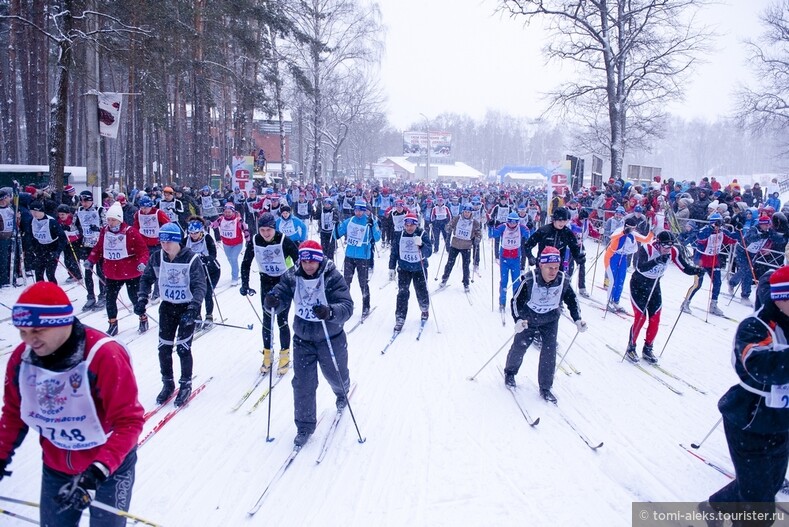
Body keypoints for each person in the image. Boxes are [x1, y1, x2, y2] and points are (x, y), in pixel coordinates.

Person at [0, 281, 144, 526]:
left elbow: (129, 421)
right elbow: (14, 414)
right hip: (56, 466)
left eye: (37, 330)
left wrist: (99, 469)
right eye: (23, 332)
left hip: (110, 467)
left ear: (61, 322)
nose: (29, 340)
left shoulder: (103, 355)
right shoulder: (21, 359)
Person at [701, 265, 789, 524]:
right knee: (759, 511)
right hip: (749, 421)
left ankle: (715, 506)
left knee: (768, 485)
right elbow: (760, 365)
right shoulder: (755, 325)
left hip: (780, 423)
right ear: (780, 297)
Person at [264, 240, 354, 447]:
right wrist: (273, 302)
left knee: (336, 374)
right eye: (304, 261)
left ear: (320, 259)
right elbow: (280, 295)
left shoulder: (332, 276)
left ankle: (342, 392)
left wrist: (330, 312)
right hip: (303, 338)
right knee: (303, 383)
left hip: (330, 337)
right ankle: (304, 426)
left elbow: (347, 306)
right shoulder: (292, 275)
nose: (308, 266)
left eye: (312, 261)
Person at [503, 246, 587, 403]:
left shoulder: (563, 280)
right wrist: (518, 320)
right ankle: (510, 372)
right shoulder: (530, 279)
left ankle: (546, 387)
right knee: (520, 346)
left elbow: (572, 300)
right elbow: (515, 301)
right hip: (529, 319)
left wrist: (577, 319)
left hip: (550, 320)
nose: (553, 271)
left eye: (556, 267)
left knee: (549, 351)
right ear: (541, 265)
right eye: (549, 267)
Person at [136, 222, 207, 407]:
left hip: (186, 308)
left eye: (169, 241)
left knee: (183, 348)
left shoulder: (191, 258)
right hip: (167, 307)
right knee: (164, 348)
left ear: (177, 241)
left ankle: (185, 384)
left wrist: (194, 308)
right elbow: (146, 278)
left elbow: (200, 285)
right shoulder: (157, 257)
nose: (165, 245)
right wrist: (142, 298)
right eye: (162, 241)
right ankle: (167, 383)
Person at [625, 231, 704, 363]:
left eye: (670, 246)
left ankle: (648, 348)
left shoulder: (672, 251)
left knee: (655, 318)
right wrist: (656, 260)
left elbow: (684, 267)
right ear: (658, 243)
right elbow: (640, 267)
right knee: (641, 318)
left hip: (654, 285)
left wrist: (696, 271)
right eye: (665, 246)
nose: (667, 249)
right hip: (639, 284)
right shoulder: (647, 248)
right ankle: (631, 347)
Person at [240, 212, 300, 375]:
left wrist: (297, 281)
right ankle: (267, 354)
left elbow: (298, 259)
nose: (266, 234)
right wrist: (245, 284)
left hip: (283, 282)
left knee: (282, 320)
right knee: (267, 320)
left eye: (269, 230)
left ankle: (285, 355)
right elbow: (246, 263)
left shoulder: (283, 240)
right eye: (263, 230)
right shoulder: (255, 241)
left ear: (275, 228)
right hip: (265, 281)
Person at [85, 203, 150, 336]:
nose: (110, 222)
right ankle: (112, 324)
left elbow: (143, 250)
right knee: (110, 299)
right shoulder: (104, 231)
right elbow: (98, 248)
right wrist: (91, 259)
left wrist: (142, 263)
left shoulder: (131, 231)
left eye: (113, 219)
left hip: (131, 271)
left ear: (120, 219)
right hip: (112, 273)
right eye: (108, 219)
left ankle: (143, 317)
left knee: (134, 298)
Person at [681, 212, 736, 317]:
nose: (719, 226)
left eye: (720, 223)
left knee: (717, 282)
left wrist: (738, 232)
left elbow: (731, 240)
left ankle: (713, 305)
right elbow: (701, 236)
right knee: (698, 284)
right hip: (701, 260)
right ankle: (686, 303)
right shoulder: (705, 230)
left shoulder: (722, 231)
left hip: (714, 260)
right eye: (717, 223)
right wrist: (711, 229)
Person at [335, 199, 381, 318]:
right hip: (350, 255)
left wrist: (372, 226)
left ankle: (366, 306)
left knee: (363, 283)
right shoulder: (349, 221)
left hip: (363, 256)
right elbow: (336, 235)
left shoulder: (369, 221)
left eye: (361, 211)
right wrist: (335, 225)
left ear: (365, 211)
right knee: (346, 282)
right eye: (356, 210)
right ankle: (345, 305)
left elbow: (377, 238)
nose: (359, 213)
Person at [388, 212, 432, 331]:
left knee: (421, 292)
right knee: (402, 293)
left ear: (416, 225)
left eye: (412, 225)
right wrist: (391, 267)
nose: (409, 228)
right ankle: (400, 318)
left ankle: (424, 309)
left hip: (419, 269)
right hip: (404, 269)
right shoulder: (399, 235)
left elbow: (429, 252)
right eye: (407, 225)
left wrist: (422, 245)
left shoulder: (422, 233)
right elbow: (394, 252)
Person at [603, 216, 653, 313]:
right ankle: (608, 301)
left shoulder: (633, 234)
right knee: (612, 280)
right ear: (626, 226)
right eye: (631, 228)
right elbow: (612, 237)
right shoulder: (619, 230)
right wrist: (623, 233)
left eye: (634, 228)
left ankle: (616, 301)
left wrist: (652, 232)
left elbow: (646, 239)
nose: (632, 230)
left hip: (623, 258)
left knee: (621, 280)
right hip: (612, 257)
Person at [185, 217, 221, 329]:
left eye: (196, 233)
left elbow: (213, 255)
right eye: (191, 233)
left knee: (207, 293)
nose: (194, 235)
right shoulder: (185, 240)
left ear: (201, 231)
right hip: (196, 272)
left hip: (212, 270)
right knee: (196, 294)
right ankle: (197, 316)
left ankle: (209, 316)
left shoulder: (208, 238)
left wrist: (206, 259)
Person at [74, 190, 107, 311]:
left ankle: (103, 295)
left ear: (91, 200)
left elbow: (107, 226)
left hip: (99, 246)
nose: (84, 203)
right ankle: (90, 296)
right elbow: (74, 225)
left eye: (86, 201)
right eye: (82, 201)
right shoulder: (79, 211)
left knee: (100, 272)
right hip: (86, 245)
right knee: (88, 273)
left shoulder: (100, 210)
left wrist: (98, 228)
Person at [439, 203, 482, 292]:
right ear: (463, 211)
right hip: (455, 244)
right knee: (450, 263)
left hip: (466, 246)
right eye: (465, 211)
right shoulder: (457, 218)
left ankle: (466, 283)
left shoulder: (474, 222)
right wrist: (448, 228)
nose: (467, 213)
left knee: (466, 266)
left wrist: (478, 238)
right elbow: (450, 225)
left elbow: (478, 232)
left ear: (471, 213)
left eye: (468, 212)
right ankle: (444, 279)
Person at [27, 200, 66, 283]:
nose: (34, 214)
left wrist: (57, 251)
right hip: (40, 249)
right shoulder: (32, 221)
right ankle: (41, 293)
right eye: (31, 212)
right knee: (38, 273)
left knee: (50, 274)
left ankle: (54, 293)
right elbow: (31, 236)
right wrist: (32, 248)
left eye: (35, 212)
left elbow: (63, 238)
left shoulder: (51, 221)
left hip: (52, 248)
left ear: (41, 210)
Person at [212, 202, 248, 286]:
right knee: (229, 259)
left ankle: (234, 277)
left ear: (233, 212)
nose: (227, 214)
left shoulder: (238, 220)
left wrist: (248, 240)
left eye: (229, 212)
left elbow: (245, 230)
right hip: (226, 243)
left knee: (233, 258)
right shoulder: (221, 219)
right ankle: (236, 270)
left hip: (237, 243)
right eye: (226, 212)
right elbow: (214, 225)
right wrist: (207, 223)